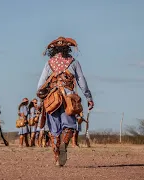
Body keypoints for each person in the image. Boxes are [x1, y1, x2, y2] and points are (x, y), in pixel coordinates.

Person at [37, 36, 94, 166]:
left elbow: (40, 85)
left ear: (54, 49)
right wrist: (89, 97)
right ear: (67, 48)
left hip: (52, 98)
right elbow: (82, 82)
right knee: (69, 125)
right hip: (69, 98)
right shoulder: (73, 62)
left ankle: (57, 154)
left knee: (54, 129)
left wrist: (40, 102)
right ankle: (64, 146)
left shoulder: (49, 63)